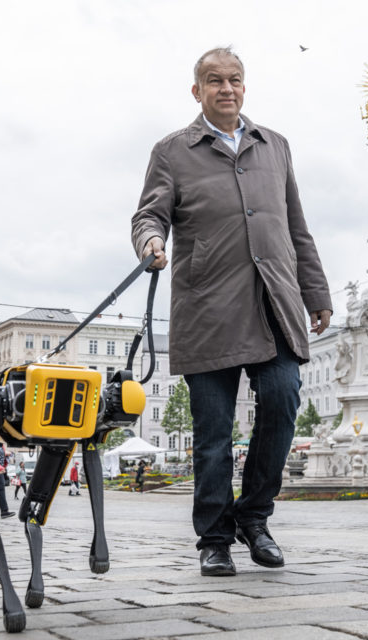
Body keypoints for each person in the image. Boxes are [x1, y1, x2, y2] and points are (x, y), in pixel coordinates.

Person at [132, 46, 332, 577]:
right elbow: (149, 215)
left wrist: (315, 292)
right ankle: (215, 539)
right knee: (214, 435)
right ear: (197, 91)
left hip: (273, 304)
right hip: (207, 309)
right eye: (214, 81)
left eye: (235, 80)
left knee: (284, 401)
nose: (226, 88)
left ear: (246, 87)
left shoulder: (275, 146)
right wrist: (151, 242)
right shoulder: (173, 151)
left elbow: (296, 228)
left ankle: (255, 516)